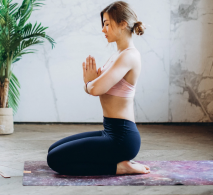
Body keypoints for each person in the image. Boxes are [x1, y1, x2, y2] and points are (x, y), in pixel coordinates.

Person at [47, 1, 150, 176]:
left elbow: (95, 89)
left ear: (123, 24)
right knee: (53, 149)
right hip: (109, 130)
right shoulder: (118, 55)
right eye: (103, 24)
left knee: (55, 160)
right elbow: (97, 86)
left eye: (107, 24)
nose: (103, 29)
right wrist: (92, 84)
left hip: (122, 138)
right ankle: (114, 161)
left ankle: (119, 167)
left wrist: (88, 83)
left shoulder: (129, 56)